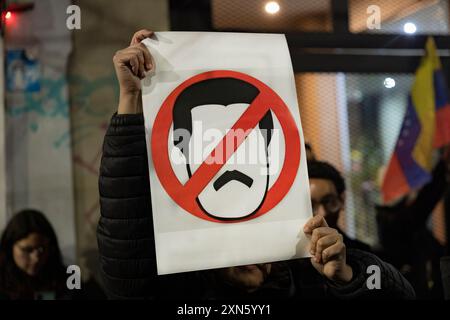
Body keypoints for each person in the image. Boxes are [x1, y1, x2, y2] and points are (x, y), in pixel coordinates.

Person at [97, 29, 415, 300]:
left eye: (244, 144)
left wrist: (348, 278)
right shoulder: (180, 282)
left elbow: (402, 294)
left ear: (269, 154)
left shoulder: (313, 272)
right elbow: (126, 256)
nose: (231, 167)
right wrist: (131, 99)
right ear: (183, 155)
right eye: (215, 151)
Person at [0, 209, 69, 300]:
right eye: (27, 250)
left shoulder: (66, 281)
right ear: (10, 247)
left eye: (42, 249)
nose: (36, 258)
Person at [307, 160, 372, 252]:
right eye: (311, 205)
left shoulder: (364, 255)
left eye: (329, 202)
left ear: (342, 200)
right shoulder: (286, 258)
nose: (322, 213)